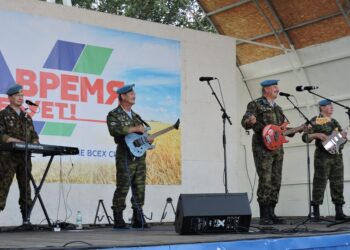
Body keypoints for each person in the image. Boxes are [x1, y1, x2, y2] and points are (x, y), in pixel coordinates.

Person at [241, 79, 296, 225]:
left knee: (276, 180)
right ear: (265, 89)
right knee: (265, 179)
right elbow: (245, 121)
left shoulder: (278, 109)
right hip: (262, 147)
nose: (277, 89)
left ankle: (272, 213)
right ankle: (264, 215)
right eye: (274, 87)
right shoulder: (255, 104)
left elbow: (281, 130)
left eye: (277, 87)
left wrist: (299, 129)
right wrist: (249, 121)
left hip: (278, 149)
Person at [107, 84, 153, 229]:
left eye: (134, 93)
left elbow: (140, 135)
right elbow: (114, 130)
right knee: (123, 186)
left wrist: (148, 139)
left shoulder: (136, 116)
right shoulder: (114, 114)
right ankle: (118, 218)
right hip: (125, 156)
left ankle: (138, 217)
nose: (134, 95)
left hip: (139, 156)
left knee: (139, 187)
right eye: (131, 93)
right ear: (122, 96)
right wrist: (134, 128)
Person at [302, 99, 347, 221]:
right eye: (328, 106)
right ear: (321, 108)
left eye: (332, 106)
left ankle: (339, 212)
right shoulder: (315, 120)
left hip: (337, 156)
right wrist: (316, 135)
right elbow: (305, 137)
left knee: (338, 183)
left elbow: (341, 139)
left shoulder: (334, 121)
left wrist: (343, 137)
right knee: (320, 183)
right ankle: (315, 213)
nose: (332, 107)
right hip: (323, 157)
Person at [0, 84, 39, 222]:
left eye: (22, 95)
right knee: (2, 186)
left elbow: (34, 135)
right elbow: (1, 134)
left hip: (24, 156)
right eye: (17, 95)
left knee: (26, 188)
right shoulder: (3, 115)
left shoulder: (27, 116)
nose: (20, 98)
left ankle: (26, 219)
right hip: (7, 157)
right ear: (10, 97)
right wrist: (11, 139)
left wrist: (35, 143)